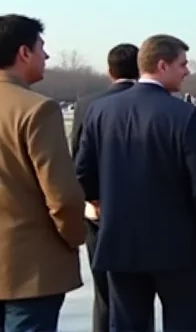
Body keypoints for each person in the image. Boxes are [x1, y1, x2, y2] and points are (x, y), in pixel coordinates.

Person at [75, 34, 196, 332]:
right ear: (162, 65)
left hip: (120, 241)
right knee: (186, 323)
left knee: (127, 324)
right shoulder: (184, 115)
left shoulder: (101, 111)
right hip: (178, 245)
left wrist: (101, 205)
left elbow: (82, 172)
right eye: (182, 64)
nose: (187, 71)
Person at [0, 14, 85, 331]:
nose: (46, 56)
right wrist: (73, 237)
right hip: (29, 268)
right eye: (41, 48)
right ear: (23, 52)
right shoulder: (36, 109)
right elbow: (62, 197)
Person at [69, 43, 139, 332]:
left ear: (109, 71)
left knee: (103, 294)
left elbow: (78, 158)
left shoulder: (87, 104)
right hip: (137, 212)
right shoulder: (152, 102)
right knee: (136, 297)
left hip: (97, 210)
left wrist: (91, 198)